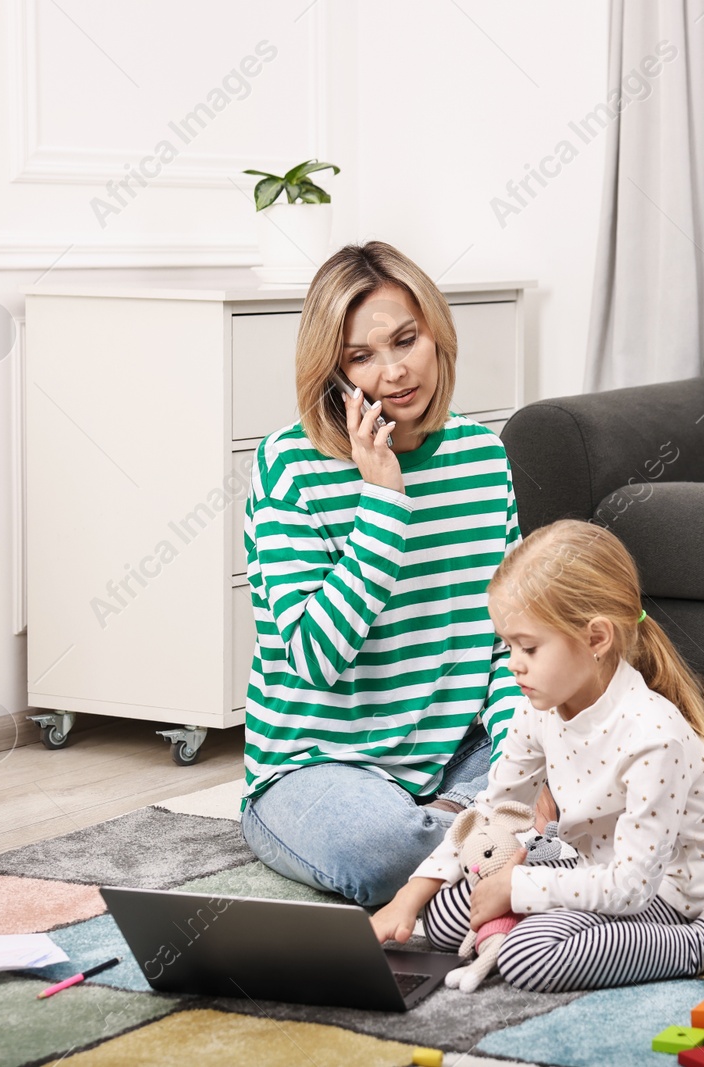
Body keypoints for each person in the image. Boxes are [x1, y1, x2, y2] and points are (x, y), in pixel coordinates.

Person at [238, 241, 531, 907]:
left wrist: (517, 766)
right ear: (332, 374)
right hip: (316, 768)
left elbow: (506, 643)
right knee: (376, 851)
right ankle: (498, 849)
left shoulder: (484, 459)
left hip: (457, 757)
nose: (395, 371)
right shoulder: (290, 467)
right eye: (361, 357)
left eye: (407, 340)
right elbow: (315, 659)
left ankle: (474, 827)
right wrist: (383, 502)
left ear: (437, 335)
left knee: (599, 766)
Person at [371, 519, 704, 992]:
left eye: (528, 647)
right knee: (445, 915)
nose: (512, 662)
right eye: (508, 645)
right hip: (592, 869)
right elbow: (491, 813)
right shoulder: (541, 707)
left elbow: (632, 886)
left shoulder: (654, 737)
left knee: (531, 959)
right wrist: (410, 895)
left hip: (666, 893)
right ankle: (526, 925)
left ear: (596, 639)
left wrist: (518, 889)